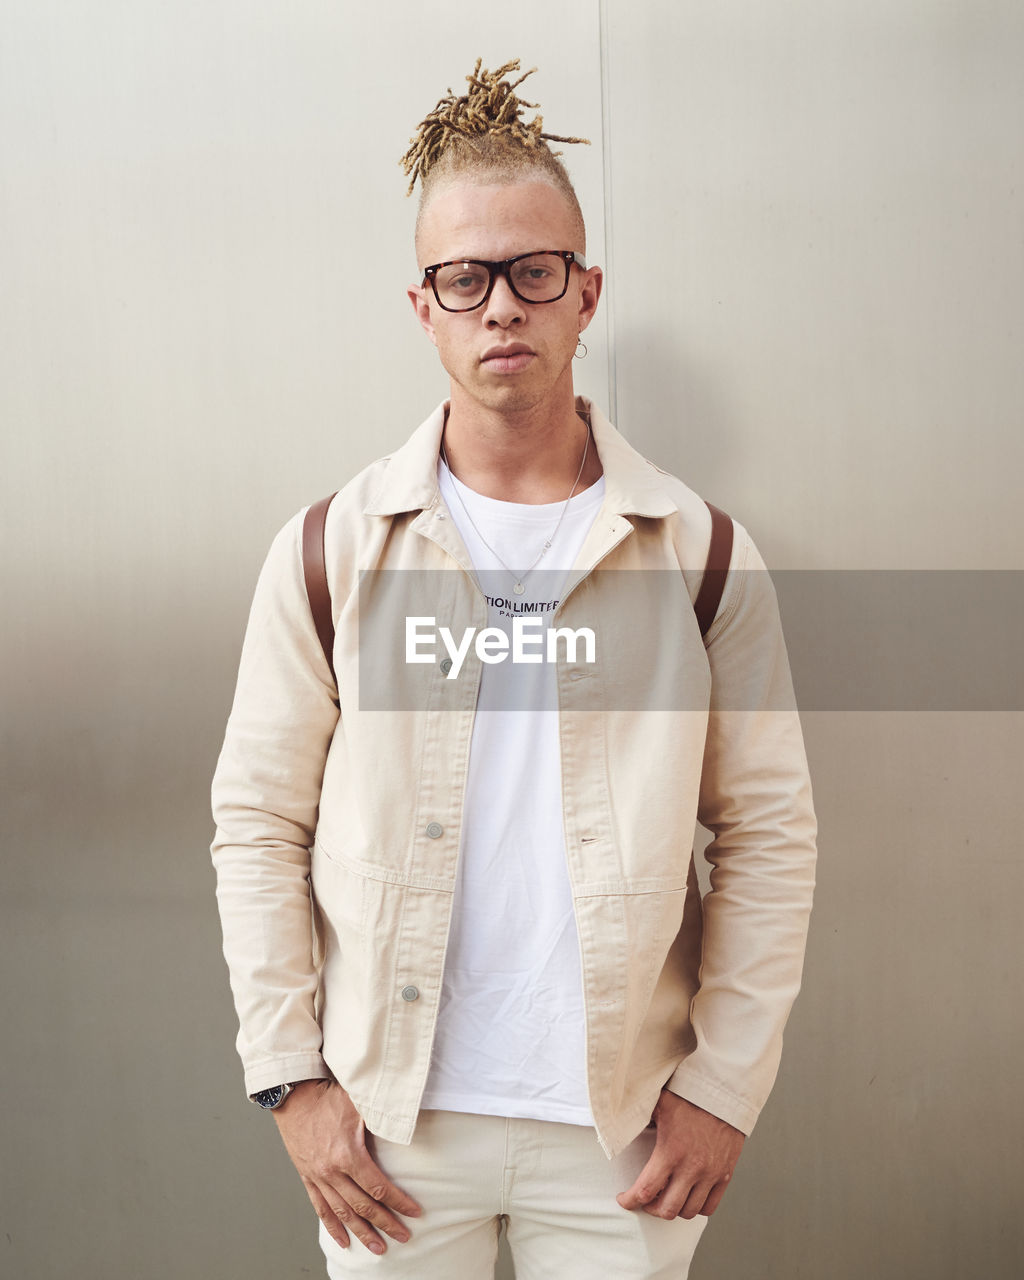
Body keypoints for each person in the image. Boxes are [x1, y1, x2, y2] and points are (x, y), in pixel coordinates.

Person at [210, 58, 817, 1279]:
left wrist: (724, 1085)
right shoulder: (331, 548)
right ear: (421, 304)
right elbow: (256, 820)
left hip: (624, 1131)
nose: (502, 307)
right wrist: (292, 1079)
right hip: (390, 1126)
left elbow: (768, 832)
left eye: (533, 273)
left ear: (585, 294)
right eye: (465, 276)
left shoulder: (700, 554)